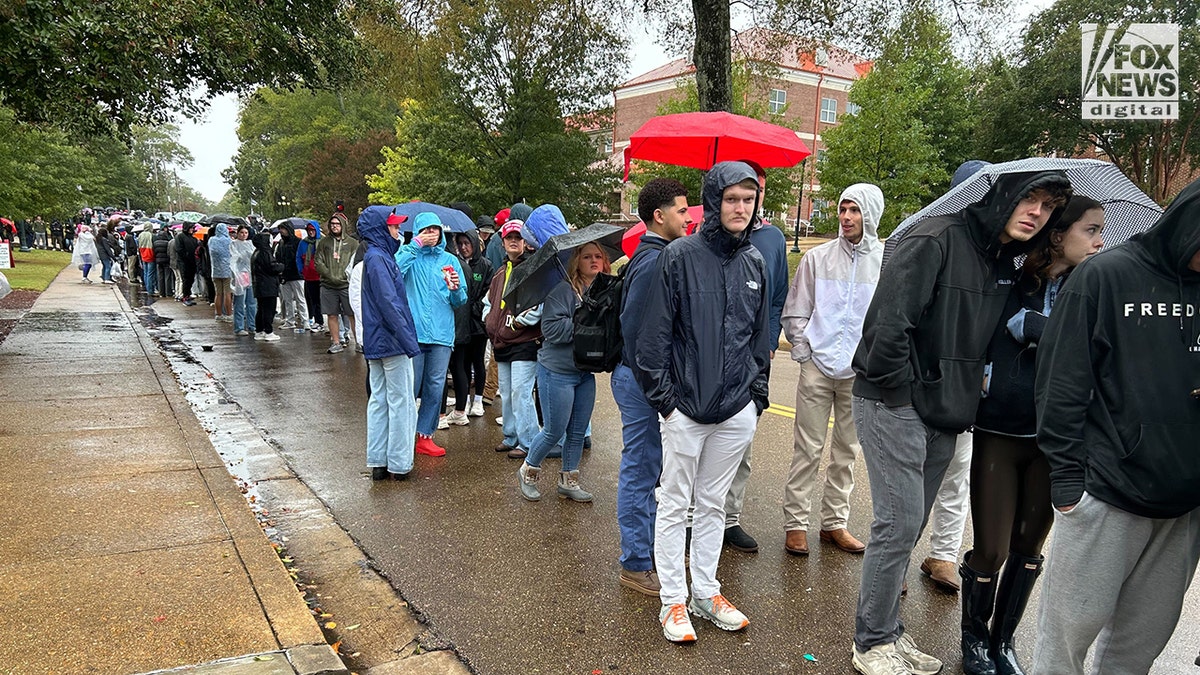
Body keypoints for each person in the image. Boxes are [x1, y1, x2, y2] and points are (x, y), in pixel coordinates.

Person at [848, 169, 1071, 674]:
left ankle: (889, 631)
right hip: (895, 403)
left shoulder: (1003, 260)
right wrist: (905, 393)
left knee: (909, 528)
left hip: (947, 413)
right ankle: (872, 643)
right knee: (898, 525)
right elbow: (888, 327)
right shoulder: (935, 239)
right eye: (1030, 198)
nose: (1037, 213)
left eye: (1048, 207)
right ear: (1003, 195)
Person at [1030, 179, 1200, 673]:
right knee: (1065, 642)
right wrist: (1068, 485)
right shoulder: (1105, 276)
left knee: (1137, 649)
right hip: (1107, 493)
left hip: (1183, 506)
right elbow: (1060, 383)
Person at [957, 195, 1105, 675]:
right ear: (1058, 236)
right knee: (992, 548)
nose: (1099, 242)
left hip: (1055, 439)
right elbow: (992, 330)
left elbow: (1096, 351)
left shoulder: (1093, 291)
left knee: (1028, 549)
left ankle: (1002, 642)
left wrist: (1042, 328)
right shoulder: (1010, 279)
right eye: (1091, 230)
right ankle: (974, 639)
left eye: (1102, 232)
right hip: (1000, 430)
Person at [637, 161, 770, 643]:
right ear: (713, 201)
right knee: (675, 504)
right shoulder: (679, 256)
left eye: (748, 199)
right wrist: (667, 403)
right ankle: (673, 599)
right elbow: (652, 337)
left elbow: (760, 338)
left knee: (713, 504)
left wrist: (756, 399)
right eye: (731, 198)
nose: (741, 207)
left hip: (736, 409)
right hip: (685, 409)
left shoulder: (755, 262)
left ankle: (706, 591)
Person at [780, 183, 883, 557]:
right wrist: (804, 352)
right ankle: (796, 524)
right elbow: (796, 309)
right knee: (806, 449)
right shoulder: (817, 258)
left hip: (858, 373)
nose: (846, 217)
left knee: (846, 452)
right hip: (818, 367)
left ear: (870, 214)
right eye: (843, 209)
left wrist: (872, 361)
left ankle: (834, 523)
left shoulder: (885, 262)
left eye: (854, 210)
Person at [615, 177, 691, 596]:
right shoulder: (653, 261)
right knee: (641, 471)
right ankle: (636, 563)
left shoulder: (659, 255)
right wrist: (657, 386)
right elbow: (635, 330)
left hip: (643, 379)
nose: (688, 217)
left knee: (650, 469)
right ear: (659, 216)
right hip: (641, 381)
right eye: (682, 210)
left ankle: (649, 550)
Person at [721, 160, 789, 554]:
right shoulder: (704, 240)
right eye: (736, 195)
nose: (747, 202)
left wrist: (770, 338)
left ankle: (730, 518)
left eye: (755, 193)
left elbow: (777, 296)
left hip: (754, 356)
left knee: (741, 440)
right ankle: (696, 517)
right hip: (713, 356)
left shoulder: (773, 239)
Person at [515, 241, 610, 502]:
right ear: (577, 262)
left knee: (578, 431)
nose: (594, 261)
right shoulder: (562, 292)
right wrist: (585, 321)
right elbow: (552, 330)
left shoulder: (603, 292)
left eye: (598, 256)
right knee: (554, 431)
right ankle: (528, 471)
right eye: (587, 257)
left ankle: (569, 481)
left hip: (585, 372)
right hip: (556, 372)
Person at [396, 212, 467, 457]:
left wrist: (455, 289)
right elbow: (394, 272)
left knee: (435, 387)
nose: (431, 233)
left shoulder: (450, 260)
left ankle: (425, 436)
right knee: (410, 386)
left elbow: (460, 299)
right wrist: (415, 245)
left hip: (441, 334)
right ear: (417, 232)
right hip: (413, 334)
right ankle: (404, 436)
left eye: (435, 229)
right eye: (426, 229)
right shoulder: (409, 255)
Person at [360, 209, 421, 480]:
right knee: (401, 401)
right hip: (392, 341)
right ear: (381, 229)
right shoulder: (380, 258)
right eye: (393, 226)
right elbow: (389, 302)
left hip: (377, 340)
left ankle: (379, 461)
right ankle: (399, 463)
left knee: (380, 400)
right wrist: (408, 340)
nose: (398, 231)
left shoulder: (374, 256)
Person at [483, 219, 543, 459]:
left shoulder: (532, 270)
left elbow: (538, 305)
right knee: (507, 393)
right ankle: (510, 436)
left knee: (521, 392)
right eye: (509, 238)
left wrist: (519, 322)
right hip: (501, 342)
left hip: (524, 342)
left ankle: (528, 442)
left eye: (518, 237)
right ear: (503, 242)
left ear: (526, 242)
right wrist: (489, 320)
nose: (514, 241)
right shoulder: (499, 273)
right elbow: (488, 302)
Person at [443, 228, 493, 425]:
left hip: (477, 323)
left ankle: (478, 399)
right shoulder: (455, 264)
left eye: (467, 243)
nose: (464, 247)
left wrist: (475, 308)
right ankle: (463, 403)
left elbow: (489, 292)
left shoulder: (486, 265)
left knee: (478, 361)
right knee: (462, 363)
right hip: (462, 322)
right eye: (461, 243)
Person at [315, 213, 358, 353]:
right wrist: (329, 275)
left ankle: (359, 342)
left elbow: (356, 262)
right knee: (332, 314)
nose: (334, 226)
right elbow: (318, 262)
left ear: (343, 225)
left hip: (346, 285)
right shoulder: (324, 242)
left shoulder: (352, 243)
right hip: (328, 285)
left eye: (337, 224)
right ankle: (336, 342)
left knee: (352, 314)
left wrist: (346, 276)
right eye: (332, 224)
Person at [251, 231, 284, 342]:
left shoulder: (256, 252)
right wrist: (281, 266)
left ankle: (259, 330)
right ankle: (268, 331)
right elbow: (271, 267)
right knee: (269, 309)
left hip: (260, 285)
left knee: (261, 309)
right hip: (268, 285)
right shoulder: (265, 252)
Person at [275, 225, 309, 332]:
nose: (281, 231)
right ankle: (290, 320)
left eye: (283, 229)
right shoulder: (281, 243)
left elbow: (300, 258)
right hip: (285, 276)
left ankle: (305, 320)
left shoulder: (298, 242)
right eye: (280, 229)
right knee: (287, 300)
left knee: (300, 299)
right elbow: (278, 257)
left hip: (296, 275)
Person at [230, 224, 258, 337]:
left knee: (252, 303)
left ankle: (252, 325)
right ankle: (239, 327)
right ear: (237, 233)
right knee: (239, 303)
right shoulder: (233, 244)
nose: (244, 235)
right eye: (241, 232)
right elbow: (234, 259)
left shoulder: (250, 244)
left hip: (250, 275)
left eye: (246, 233)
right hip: (239, 276)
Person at [298, 221, 325, 332]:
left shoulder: (323, 242)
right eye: (309, 230)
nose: (311, 232)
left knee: (324, 300)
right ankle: (318, 321)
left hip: (322, 276)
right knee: (314, 300)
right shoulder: (303, 243)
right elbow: (298, 257)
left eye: (313, 230)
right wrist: (301, 270)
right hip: (309, 276)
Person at [209, 224, 233, 321]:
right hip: (227, 270)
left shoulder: (211, 240)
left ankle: (218, 314)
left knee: (218, 294)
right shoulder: (229, 241)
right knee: (227, 293)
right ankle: (229, 314)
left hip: (215, 271)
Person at [175, 223, 199, 306]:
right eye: (191, 228)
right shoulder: (180, 237)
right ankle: (185, 296)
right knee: (186, 280)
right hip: (184, 262)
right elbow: (179, 249)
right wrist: (186, 256)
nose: (192, 229)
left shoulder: (193, 238)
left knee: (191, 279)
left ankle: (188, 295)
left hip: (192, 262)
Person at [153, 225, 173, 298]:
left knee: (160, 276)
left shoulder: (155, 243)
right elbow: (169, 252)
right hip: (166, 261)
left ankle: (161, 292)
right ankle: (168, 292)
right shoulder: (167, 243)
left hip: (158, 261)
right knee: (167, 276)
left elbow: (154, 252)